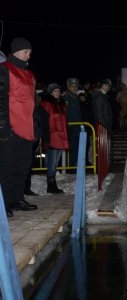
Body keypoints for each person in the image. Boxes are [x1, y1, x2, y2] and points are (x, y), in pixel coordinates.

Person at [0, 37, 38, 217]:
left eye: (30, 51)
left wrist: (36, 128)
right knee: (8, 167)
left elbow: (33, 104)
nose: (29, 54)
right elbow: (1, 101)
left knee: (23, 167)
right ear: (16, 52)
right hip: (10, 128)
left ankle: (17, 199)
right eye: (26, 51)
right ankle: (5, 203)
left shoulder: (30, 75)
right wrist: (3, 128)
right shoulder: (4, 70)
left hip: (27, 128)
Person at [40, 83, 69, 193]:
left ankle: (52, 184)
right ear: (51, 92)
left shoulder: (61, 104)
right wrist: (46, 138)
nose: (57, 93)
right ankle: (51, 185)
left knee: (56, 162)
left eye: (58, 91)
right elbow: (44, 122)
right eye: (55, 91)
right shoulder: (45, 104)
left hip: (61, 138)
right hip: (52, 137)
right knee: (51, 163)